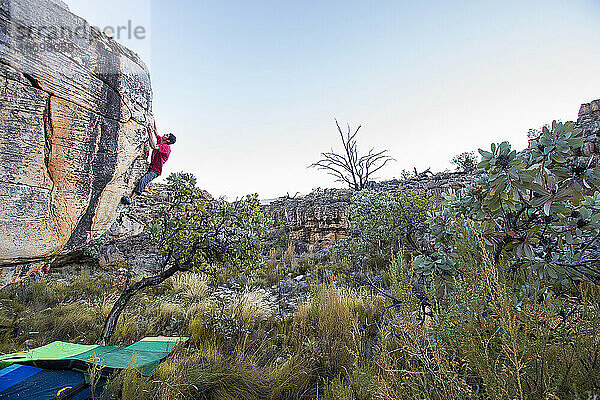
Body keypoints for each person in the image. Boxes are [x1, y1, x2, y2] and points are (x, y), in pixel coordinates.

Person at [121, 122, 176, 205]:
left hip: (155, 171)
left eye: (167, 135)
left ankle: (131, 199)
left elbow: (153, 146)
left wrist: (150, 134)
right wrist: (152, 120)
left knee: (143, 180)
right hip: (151, 167)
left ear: (168, 140)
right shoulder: (161, 141)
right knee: (139, 179)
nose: (165, 134)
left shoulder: (166, 148)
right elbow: (156, 131)